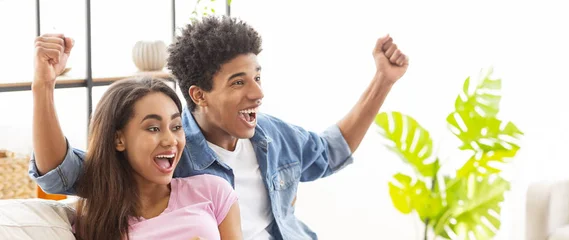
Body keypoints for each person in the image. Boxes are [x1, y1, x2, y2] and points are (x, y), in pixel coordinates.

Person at [29, 16, 409, 239]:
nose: (258, 93)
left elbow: (329, 152)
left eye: (258, 76)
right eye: (239, 82)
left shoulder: (271, 136)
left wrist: (383, 81)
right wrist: (44, 84)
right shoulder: (168, 157)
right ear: (200, 95)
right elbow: (60, 171)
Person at [31, 34, 242, 240]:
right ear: (118, 139)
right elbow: (56, 170)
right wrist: (43, 85)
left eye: (176, 126)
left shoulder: (213, 190)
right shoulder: (97, 222)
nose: (171, 140)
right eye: (153, 128)